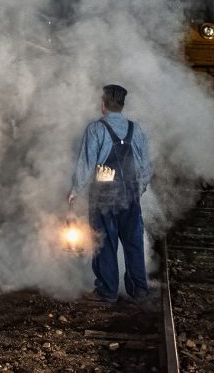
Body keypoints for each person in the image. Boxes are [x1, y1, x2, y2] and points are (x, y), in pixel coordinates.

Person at [67, 84, 153, 303]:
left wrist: (75, 191)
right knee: (133, 242)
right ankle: (139, 290)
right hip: (130, 195)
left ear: (103, 104)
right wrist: (138, 189)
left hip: (103, 196)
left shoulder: (96, 129)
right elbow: (145, 167)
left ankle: (107, 291)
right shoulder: (136, 129)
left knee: (104, 243)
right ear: (122, 106)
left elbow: (86, 164)